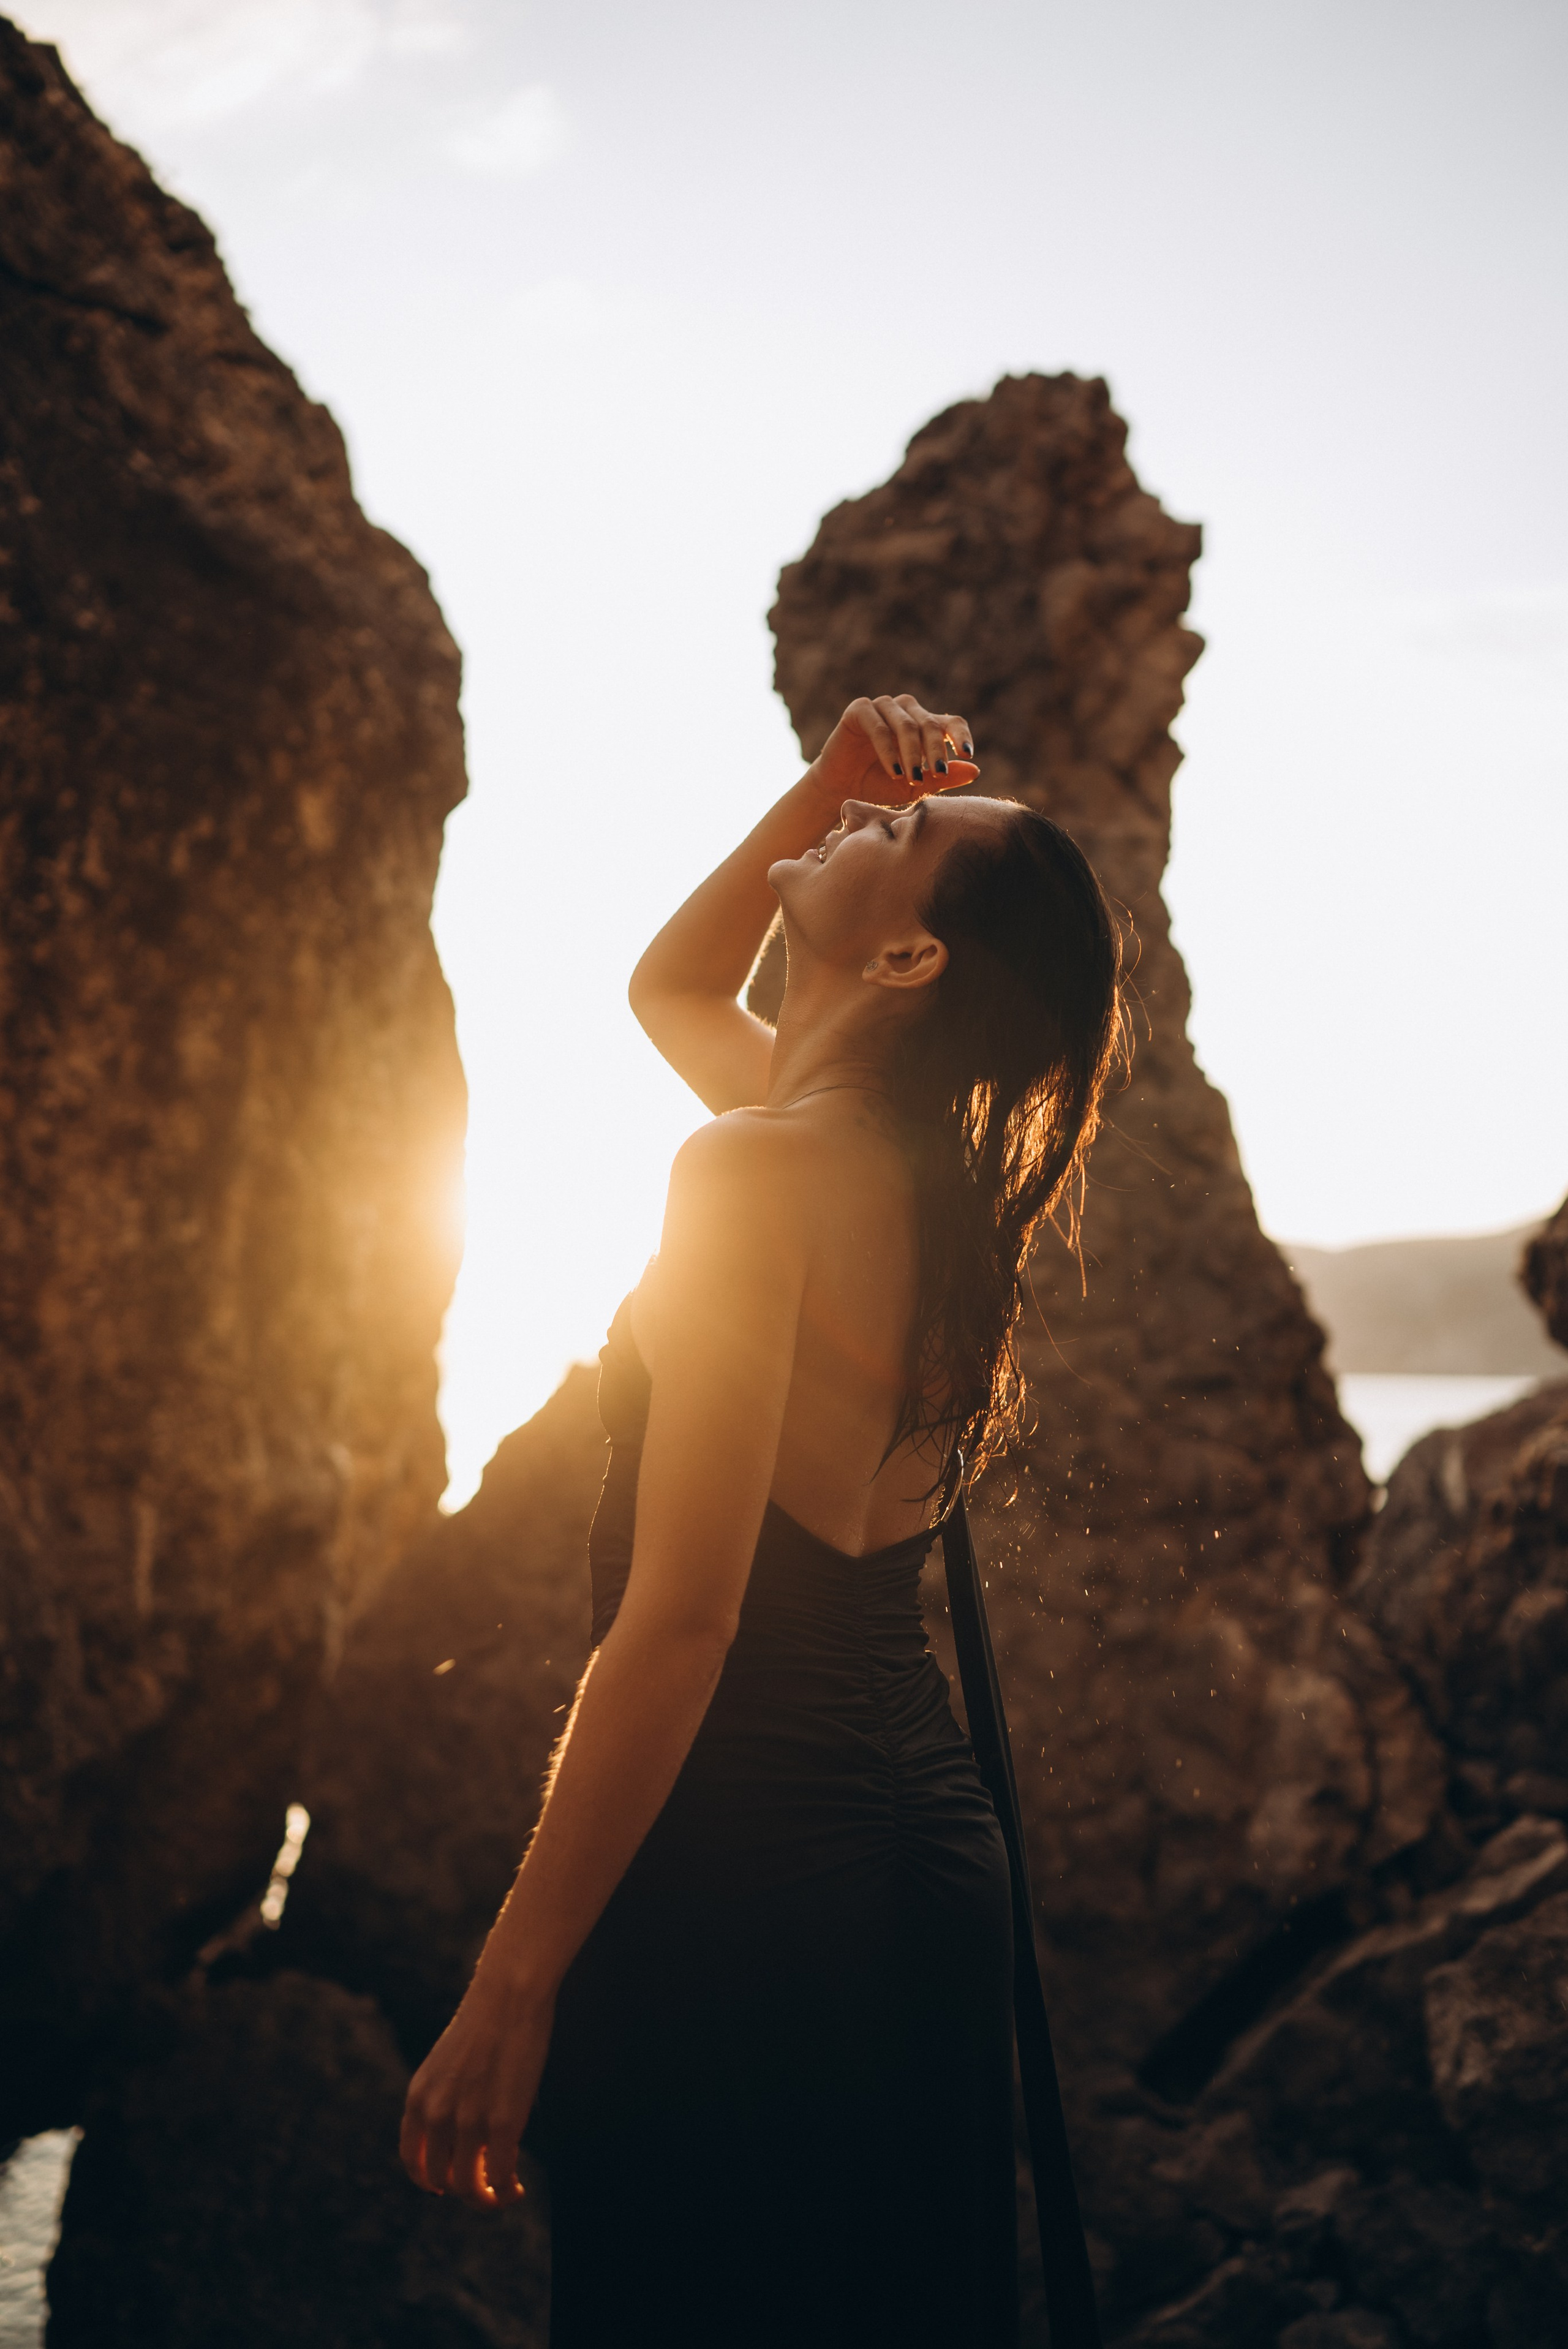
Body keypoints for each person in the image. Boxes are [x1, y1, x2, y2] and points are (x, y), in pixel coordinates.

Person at [399, 693, 1125, 2346]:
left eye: (909, 837)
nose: (868, 824)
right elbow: (671, 989)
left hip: (747, 1865)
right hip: (932, 1857)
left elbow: (685, 1619)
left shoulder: (754, 1174)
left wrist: (516, 1980)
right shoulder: (913, 1186)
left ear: (911, 963)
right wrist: (834, 787)